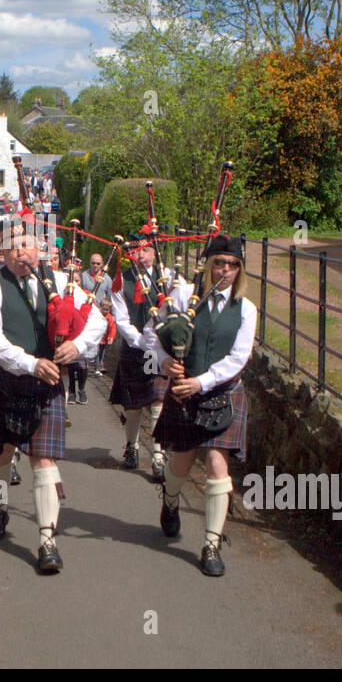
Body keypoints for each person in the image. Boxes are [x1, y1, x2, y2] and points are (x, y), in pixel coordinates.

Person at [0, 218, 105, 573]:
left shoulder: (59, 282)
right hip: (3, 383)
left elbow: (97, 321)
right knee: (0, 456)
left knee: (44, 461)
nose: (21, 252)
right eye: (13, 246)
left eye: (26, 244)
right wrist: (29, 363)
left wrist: (78, 345)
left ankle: (46, 540)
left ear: (39, 248)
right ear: (2, 252)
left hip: (47, 386)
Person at [142, 234, 257, 577]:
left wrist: (202, 381)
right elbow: (153, 331)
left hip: (222, 392)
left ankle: (211, 544)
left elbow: (239, 357)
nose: (225, 269)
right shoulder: (182, 296)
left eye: (233, 264)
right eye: (219, 262)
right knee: (181, 462)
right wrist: (163, 362)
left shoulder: (246, 309)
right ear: (208, 265)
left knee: (218, 466)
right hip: (184, 393)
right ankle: (171, 501)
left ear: (240, 269)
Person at [109, 233, 173, 481]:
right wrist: (141, 342)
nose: (140, 255)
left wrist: (157, 342)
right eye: (135, 251)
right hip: (135, 348)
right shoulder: (121, 281)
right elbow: (121, 318)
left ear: (154, 252)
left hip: (160, 348)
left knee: (158, 400)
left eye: (145, 250)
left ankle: (158, 457)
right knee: (133, 405)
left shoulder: (169, 277)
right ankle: (131, 447)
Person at [94, 299, 116, 376]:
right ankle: (97, 368)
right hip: (96, 338)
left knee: (102, 354)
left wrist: (111, 337)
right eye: (104, 309)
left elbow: (112, 328)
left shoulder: (110, 318)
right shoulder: (97, 315)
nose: (105, 311)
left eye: (107, 310)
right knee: (97, 353)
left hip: (103, 339)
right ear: (100, 307)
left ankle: (99, 365)